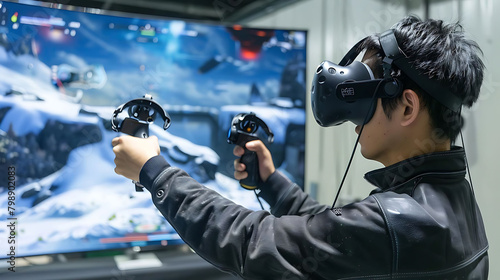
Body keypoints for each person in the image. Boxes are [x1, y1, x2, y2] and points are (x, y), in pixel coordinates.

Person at [112, 16, 488, 279]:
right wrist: (271, 183)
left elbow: (252, 243)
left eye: (364, 96)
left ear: (407, 107)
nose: (354, 119)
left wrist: (155, 171)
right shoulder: (451, 202)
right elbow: (337, 239)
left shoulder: (399, 222)